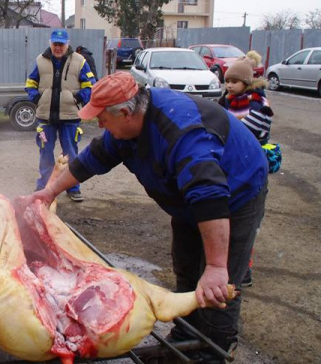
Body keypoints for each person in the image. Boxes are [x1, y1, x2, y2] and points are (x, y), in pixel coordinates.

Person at [22, 72, 268, 362]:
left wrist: (215, 265)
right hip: (188, 202)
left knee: (215, 287)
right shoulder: (126, 128)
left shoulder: (181, 133)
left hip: (235, 195)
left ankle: (212, 352)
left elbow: (210, 197)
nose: (99, 125)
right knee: (187, 270)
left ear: (126, 112)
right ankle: (185, 337)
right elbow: (92, 159)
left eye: (102, 118)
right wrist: (49, 193)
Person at [218, 50, 274, 288]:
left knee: (245, 226)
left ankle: (243, 272)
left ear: (247, 82)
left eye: (235, 81)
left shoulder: (259, 104)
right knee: (228, 221)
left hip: (251, 168)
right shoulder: (225, 100)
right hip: (229, 167)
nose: (230, 86)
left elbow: (246, 134)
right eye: (227, 81)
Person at [26, 29, 96, 202]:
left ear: (67, 44)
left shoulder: (80, 61)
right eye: (55, 44)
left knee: (71, 153)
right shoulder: (40, 60)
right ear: (51, 43)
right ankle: (44, 187)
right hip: (45, 116)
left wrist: (78, 98)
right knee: (45, 153)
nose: (58, 47)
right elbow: (30, 83)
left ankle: (73, 187)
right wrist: (36, 98)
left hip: (70, 116)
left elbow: (90, 84)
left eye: (61, 44)